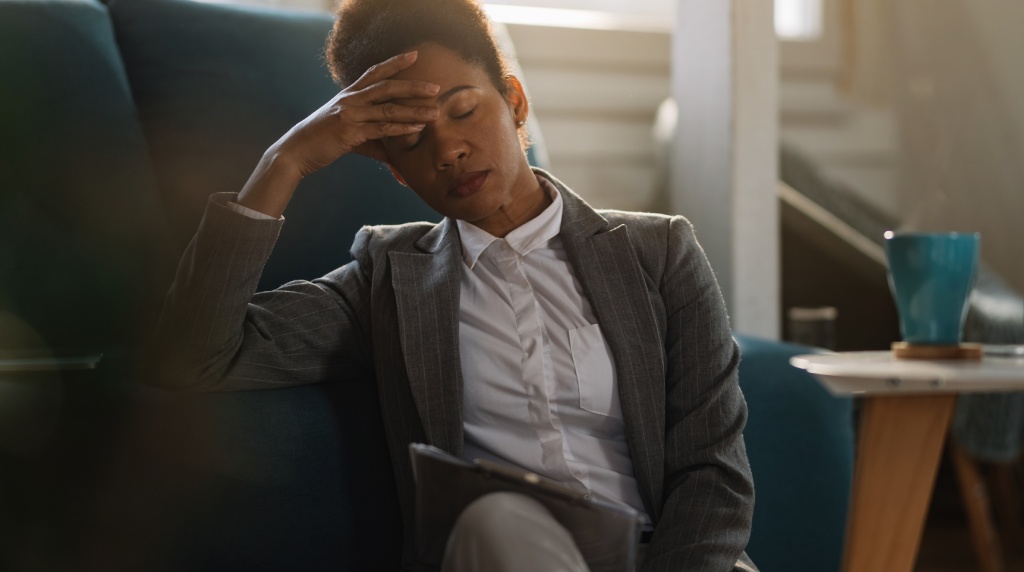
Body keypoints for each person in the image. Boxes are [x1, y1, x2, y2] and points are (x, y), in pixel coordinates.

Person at [151, 0, 757, 570]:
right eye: (413, 140)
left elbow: (713, 469)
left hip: (674, 558)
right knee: (496, 519)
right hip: (508, 553)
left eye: (465, 111)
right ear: (393, 170)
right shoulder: (387, 281)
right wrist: (287, 160)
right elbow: (196, 357)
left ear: (514, 101)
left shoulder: (659, 252)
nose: (449, 149)